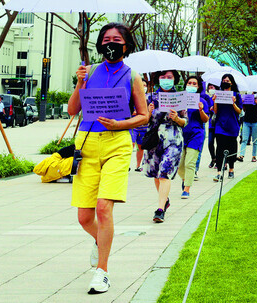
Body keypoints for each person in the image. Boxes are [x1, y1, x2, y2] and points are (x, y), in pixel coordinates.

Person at [67, 22, 149, 294]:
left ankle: (102, 272)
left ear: (126, 45)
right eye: (106, 39)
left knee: (104, 207)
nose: (110, 43)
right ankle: (100, 241)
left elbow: (143, 115)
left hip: (117, 144)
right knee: (84, 217)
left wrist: (119, 124)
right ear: (100, 43)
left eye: (116, 39)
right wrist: (80, 83)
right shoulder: (88, 72)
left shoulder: (132, 76)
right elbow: (71, 110)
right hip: (87, 143)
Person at [144, 70, 187, 222]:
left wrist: (176, 118)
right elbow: (143, 120)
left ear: (175, 79)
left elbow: (184, 121)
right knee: (156, 174)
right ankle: (165, 200)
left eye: (169, 77)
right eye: (163, 77)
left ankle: (160, 209)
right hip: (154, 139)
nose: (166, 80)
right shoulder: (150, 97)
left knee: (164, 172)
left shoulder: (180, 97)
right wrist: (148, 113)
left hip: (173, 138)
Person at [179, 76, 209, 199]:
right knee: (180, 166)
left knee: (190, 163)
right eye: (189, 83)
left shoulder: (202, 101)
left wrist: (201, 110)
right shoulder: (180, 99)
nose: (191, 85)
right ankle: (185, 179)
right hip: (181, 134)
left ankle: (186, 189)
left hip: (196, 134)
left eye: (194, 84)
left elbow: (206, 119)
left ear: (198, 87)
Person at [212, 74, 243, 181]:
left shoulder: (237, 95)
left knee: (232, 148)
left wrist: (233, 103)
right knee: (220, 148)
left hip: (232, 125)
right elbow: (215, 111)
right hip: (220, 125)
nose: (225, 82)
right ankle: (219, 172)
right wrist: (215, 101)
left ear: (232, 83)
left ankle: (231, 169)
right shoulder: (218, 94)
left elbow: (239, 111)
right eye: (224, 80)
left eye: (228, 80)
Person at [238, 92, 257, 162]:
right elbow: (244, 110)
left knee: (255, 140)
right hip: (246, 121)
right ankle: (241, 155)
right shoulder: (246, 98)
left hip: (255, 122)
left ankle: (254, 156)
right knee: (244, 139)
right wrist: (242, 103)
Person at [132, 79, 150, 171]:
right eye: (141, 85)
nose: (143, 87)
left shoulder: (149, 98)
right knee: (130, 144)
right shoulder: (133, 97)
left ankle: (138, 165)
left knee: (140, 147)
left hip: (144, 127)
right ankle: (126, 165)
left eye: (145, 85)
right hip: (133, 126)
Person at [205, 83, 218, 168]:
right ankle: (213, 158)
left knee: (219, 144)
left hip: (219, 124)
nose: (210, 89)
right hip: (211, 124)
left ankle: (218, 160)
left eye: (212, 87)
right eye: (209, 88)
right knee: (210, 143)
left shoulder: (220, 98)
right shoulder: (209, 99)